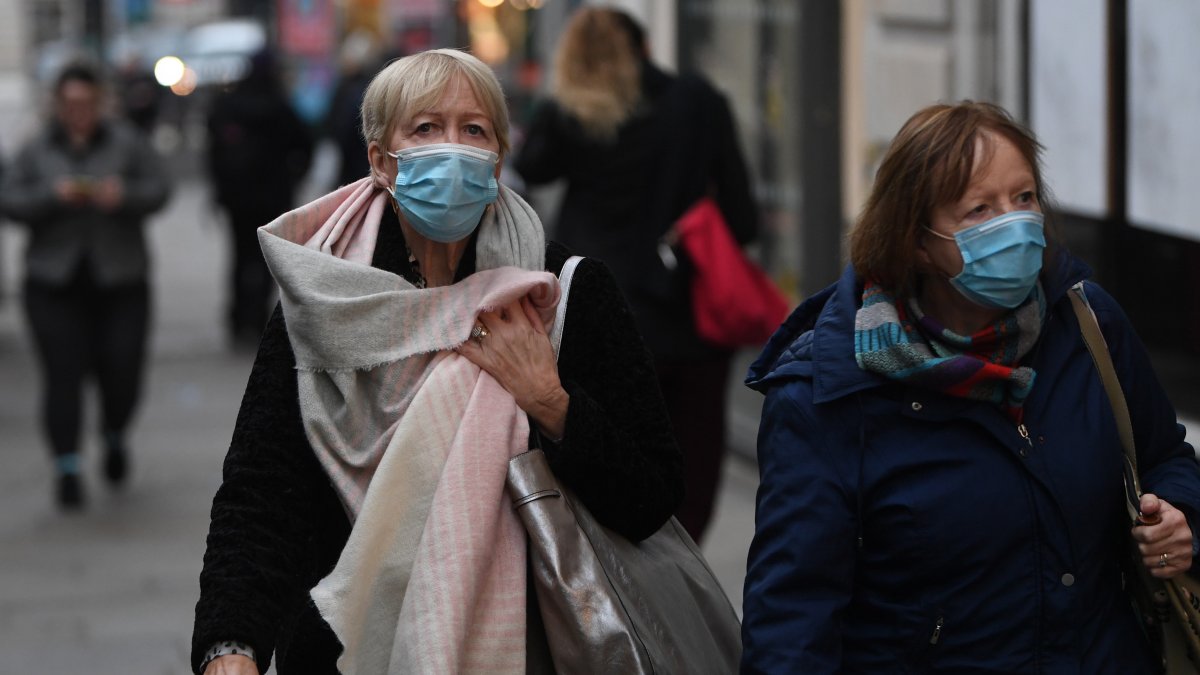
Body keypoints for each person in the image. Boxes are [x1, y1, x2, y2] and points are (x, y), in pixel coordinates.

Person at [190, 48, 682, 675]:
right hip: (342, 649)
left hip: (531, 647)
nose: (453, 149)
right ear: (380, 161)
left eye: (473, 130)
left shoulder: (560, 294)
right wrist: (230, 643)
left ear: (498, 157)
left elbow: (653, 494)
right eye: (425, 129)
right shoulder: (326, 304)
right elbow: (261, 492)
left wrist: (552, 404)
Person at [741, 101, 1200, 672]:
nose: (1014, 224)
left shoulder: (1087, 324)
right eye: (979, 209)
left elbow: (1166, 456)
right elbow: (791, 624)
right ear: (916, 242)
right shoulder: (827, 394)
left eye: (1024, 197)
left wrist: (1179, 513)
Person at [514, 7, 759, 543]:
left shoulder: (572, 114)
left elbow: (531, 166)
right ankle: (679, 588)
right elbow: (743, 218)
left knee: (602, 465)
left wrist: (557, 102)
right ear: (646, 50)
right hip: (686, 317)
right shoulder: (700, 104)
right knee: (690, 481)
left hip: (590, 317)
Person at [0, 62, 170, 509]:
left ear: (100, 103)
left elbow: (160, 188)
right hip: (53, 284)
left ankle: (114, 433)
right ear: (57, 105)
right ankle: (67, 467)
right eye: (69, 103)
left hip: (121, 281)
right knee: (63, 376)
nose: (77, 111)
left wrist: (123, 196)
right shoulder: (35, 149)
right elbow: (10, 200)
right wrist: (50, 197)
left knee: (121, 373)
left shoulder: (127, 142)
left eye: (86, 102)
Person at [206, 48, 313, 348]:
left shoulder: (227, 105)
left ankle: (239, 319)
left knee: (240, 257)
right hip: (273, 198)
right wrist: (293, 178)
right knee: (267, 260)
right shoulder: (280, 106)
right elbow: (304, 146)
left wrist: (219, 189)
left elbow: (213, 153)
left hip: (236, 199)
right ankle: (256, 319)